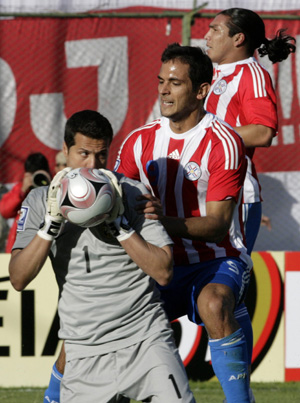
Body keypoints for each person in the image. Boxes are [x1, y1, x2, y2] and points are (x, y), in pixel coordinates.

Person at [9, 110, 195, 403]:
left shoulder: (131, 192)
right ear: (65, 150)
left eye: (101, 156)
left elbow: (163, 271)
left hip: (145, 339)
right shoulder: (39, 200)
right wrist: (49, 227)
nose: (92, 165)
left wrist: (120, 227)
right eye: (83, 153)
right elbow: (18, 278)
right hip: (84, 351)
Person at [115, 43, 253, 402]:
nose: (163, 89)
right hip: (160, 262)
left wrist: (161, 220)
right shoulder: (138, 141)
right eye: (161, 81)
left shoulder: (224, 142)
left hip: (217, 258)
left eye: (175, 83)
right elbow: (112, 200)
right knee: (106, 312)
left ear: (202, 90)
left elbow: (218, 226)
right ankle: (54, 396)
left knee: (214, 303)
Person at [204, 9, 296, 401]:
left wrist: (201, 137)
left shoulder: (251, 74)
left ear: (238, 39)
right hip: (203, 194)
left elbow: (263, 130)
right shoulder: (214, 75)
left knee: (219, 296)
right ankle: (240, 393)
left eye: (215, 29)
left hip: (235, 197)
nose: (206, 35)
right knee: (221, 299)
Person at [0, 152, 51, 253]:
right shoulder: (20, 189)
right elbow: (4, 211)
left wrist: (48, 185)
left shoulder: (51, 186)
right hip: (18, 246)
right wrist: (22, 190)